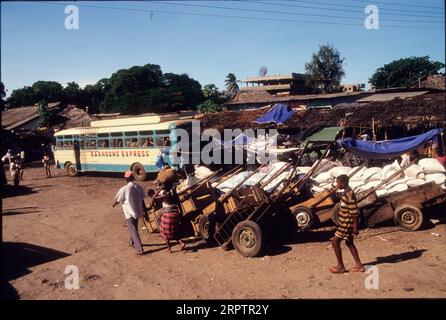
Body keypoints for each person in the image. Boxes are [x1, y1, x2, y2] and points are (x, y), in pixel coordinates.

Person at [330, 174, 364, 274]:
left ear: (343, 183)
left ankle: (340, 266)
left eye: (338, 183)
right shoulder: (346, 192)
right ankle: (359, 266)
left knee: (335, 242)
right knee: (349, 242)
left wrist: (355, 227)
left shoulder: (349, 194)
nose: (337, 185)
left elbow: (354, 211)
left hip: (346, 224)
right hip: (345, 222)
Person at [112, 171, 147, 255]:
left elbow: (117, 200)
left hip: (129, 212)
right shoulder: (138, 187)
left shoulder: (124, 189)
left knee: (133, 229)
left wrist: (113, 204)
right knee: (134, 227)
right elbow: (142, 200)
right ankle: (132, 241)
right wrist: (144, 210)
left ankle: (140, 249)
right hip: (138, 211)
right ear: (133, 178)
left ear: (126, 179)